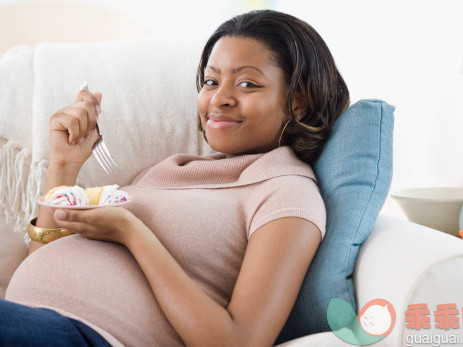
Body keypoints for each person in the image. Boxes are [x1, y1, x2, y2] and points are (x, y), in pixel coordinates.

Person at [0, 9, 349, 346]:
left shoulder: (287, 192)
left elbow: (239, 341)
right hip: (29, 318)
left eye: (246, 84)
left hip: (87, 335)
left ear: (298, 103)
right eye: (211, 81)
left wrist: (133, 233)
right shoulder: (171, 169)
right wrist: (63, 167)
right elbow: (40, 263)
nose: (219, 98)